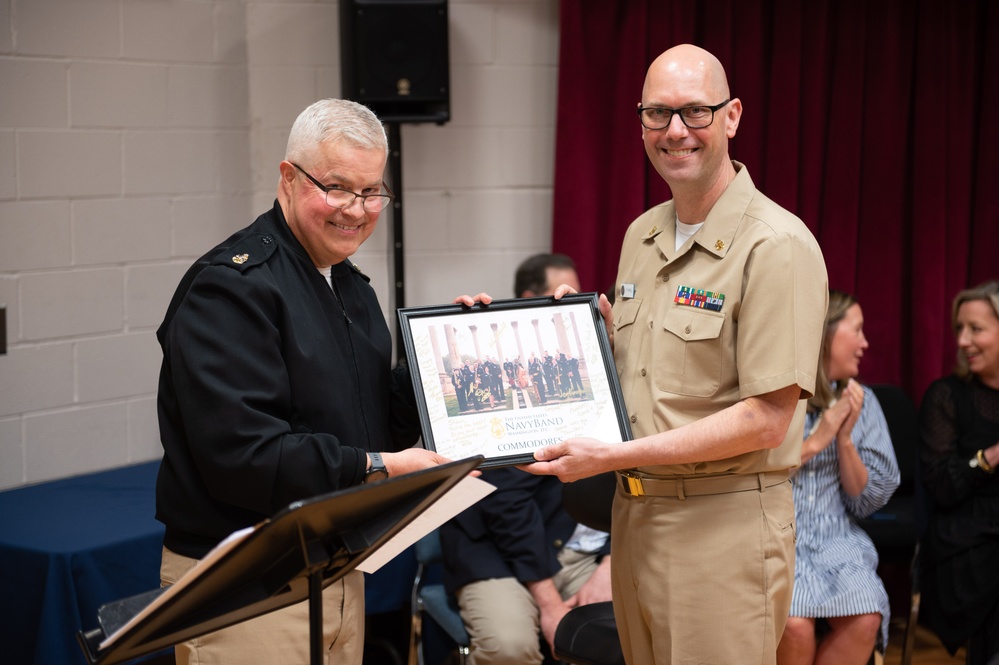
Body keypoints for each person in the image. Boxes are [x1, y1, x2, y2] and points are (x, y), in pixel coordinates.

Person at [459, 44, 828, 664]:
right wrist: (503, 339)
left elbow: (768, 417)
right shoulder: (644, 234)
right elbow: (646, 376)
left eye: (695, 112)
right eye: (656, 114)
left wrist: (615, 455)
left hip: (722, 528)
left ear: (732, 116)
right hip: (636, 519)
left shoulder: (776, 245)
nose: (674, 131)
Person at [154, 98, 450, 665]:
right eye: (337, 187)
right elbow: (246, 456)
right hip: (246, 582)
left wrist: (443, 357)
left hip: (335, 570)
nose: (357, 210)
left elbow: (371, 424)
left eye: (371, 192)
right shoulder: (232, 289)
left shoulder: (350, 287)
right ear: (288, 179)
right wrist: (379, 468)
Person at [439, 253, 612, 665]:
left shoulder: (601, 359)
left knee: (639, 628)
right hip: (495, 548)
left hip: (579, 547)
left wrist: (611, 564)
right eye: (560, 292)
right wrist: (549, 604)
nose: (571, 299)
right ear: (531, 299)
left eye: (576, 292)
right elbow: (507, 502)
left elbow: (634, 480)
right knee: (510, 647)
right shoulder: (503, 372)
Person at [777, 290, 900, 665]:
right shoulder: (780, 397)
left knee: (865, 617)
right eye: (857, 330)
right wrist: (817, 441)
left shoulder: (863, 401)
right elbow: (750, 472)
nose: (865, 343)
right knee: (795, 624)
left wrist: (845, 439)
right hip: (780, 536)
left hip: (836, 537)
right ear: (825, 334)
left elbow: (865, 499)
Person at [919, 280, 999, 665]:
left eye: (976, 329)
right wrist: (994, 455)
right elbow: (943, 488)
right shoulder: (946, 396)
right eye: (959, 329)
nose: (963, 340)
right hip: (965, 538)